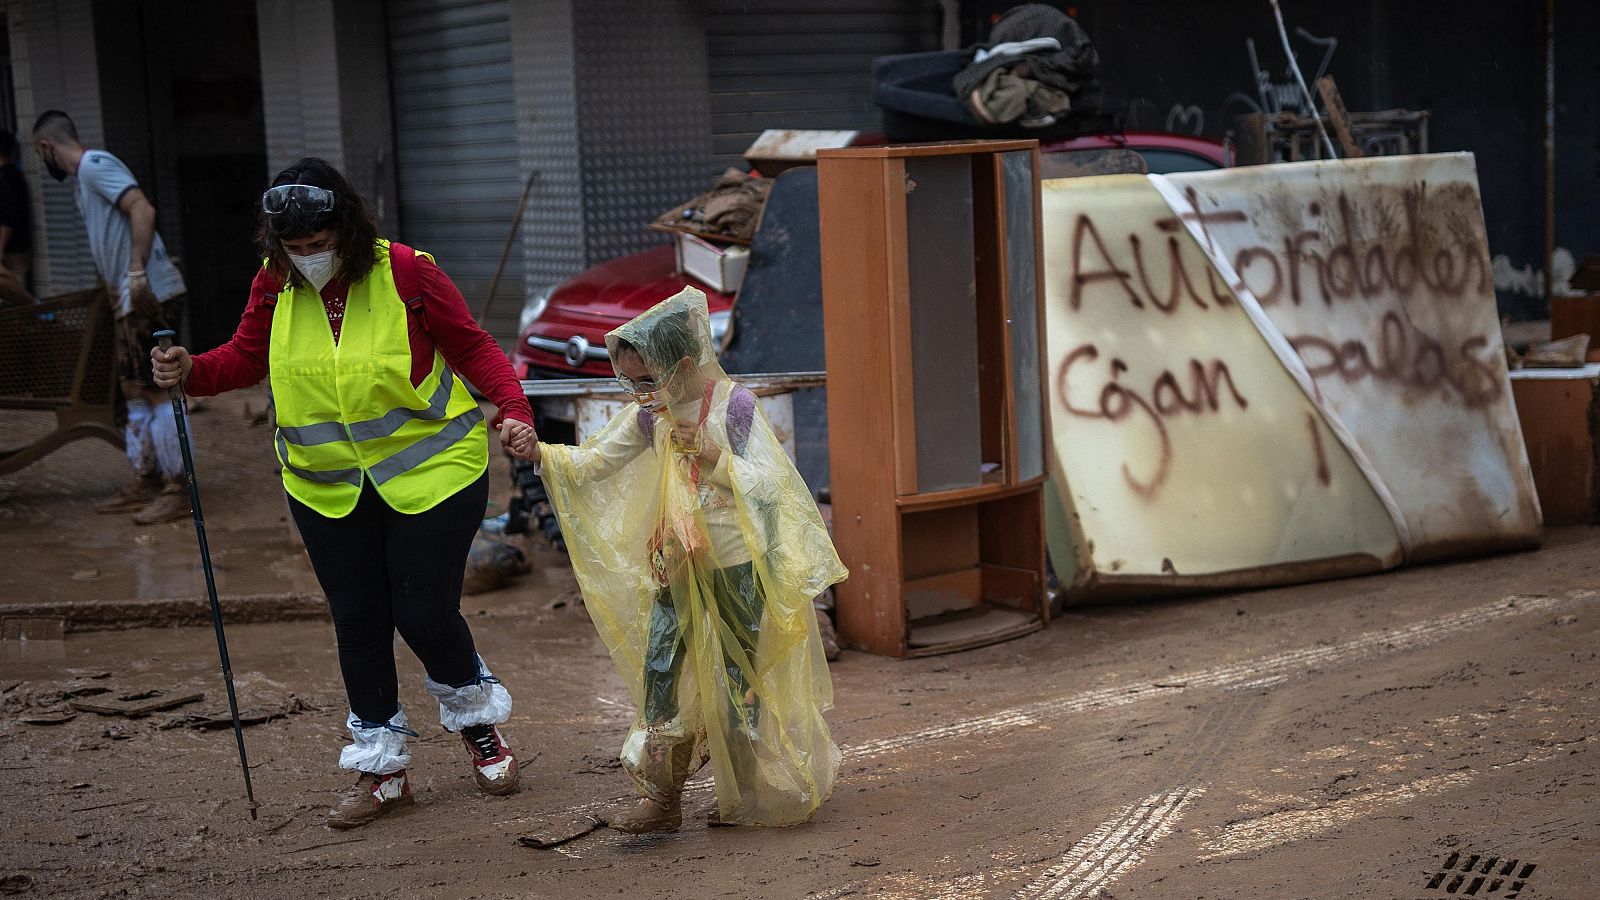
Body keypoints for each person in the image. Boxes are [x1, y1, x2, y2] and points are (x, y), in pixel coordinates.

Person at [151, 158, 532, 828]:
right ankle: (382, 771)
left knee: (423, 612)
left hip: (434, 472)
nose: (308, 257)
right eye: (294, 247)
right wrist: (190, 371)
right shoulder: (274, 283)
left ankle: (479, 727)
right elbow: (245, 358)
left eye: (319, 243)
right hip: (325, 485)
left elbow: (473, 347)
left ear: (348, 229)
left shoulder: (407, 272)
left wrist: (514, 409)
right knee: (357, 619)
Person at [504, 286, 845, 832]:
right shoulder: (650, 416)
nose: (639, 393)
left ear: (683, 366)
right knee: (660, 672)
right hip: (677, 564)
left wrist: (713, 457)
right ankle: (661, 798)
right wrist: (539, 452)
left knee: (739, 681)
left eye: (647, 379)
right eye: (630, 383)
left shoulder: (734, 408)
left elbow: (774, 487)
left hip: (736, 565)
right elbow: (594, 463)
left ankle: (746, 791)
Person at [32, 110, 190, 523]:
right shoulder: (84, 183)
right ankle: (148, 479)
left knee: (158, 391)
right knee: (134, 390)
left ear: (47, 147)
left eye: (39, 154)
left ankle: (179, 488)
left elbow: (142, 209)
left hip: (149, 294)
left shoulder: (94, 165)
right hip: (128, 300)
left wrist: (136, 273)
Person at [0, 130, 34, 306]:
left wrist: (0, 248)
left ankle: (37, 315)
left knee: (17, 299)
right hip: (16, 247)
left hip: (12, 249)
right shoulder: (14, 174)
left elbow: (8, 217)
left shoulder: (6, 177)